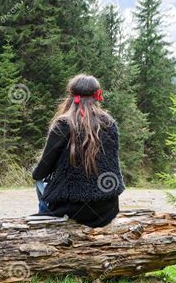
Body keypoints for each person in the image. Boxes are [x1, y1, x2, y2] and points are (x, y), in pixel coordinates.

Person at [30, 74, 125, 227]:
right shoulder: (109, 123)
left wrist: (39, 174)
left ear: (71, 95)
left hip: (70, 208)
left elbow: (42, 171)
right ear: (97, 95)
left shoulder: (63, 124)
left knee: (40, 181)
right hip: (107, 209)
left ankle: (45, 221)